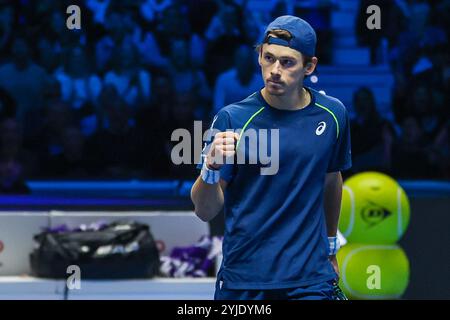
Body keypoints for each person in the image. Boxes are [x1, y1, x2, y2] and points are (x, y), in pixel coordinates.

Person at [191, 15, 352, 300]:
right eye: (268, 58)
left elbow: (331, 180)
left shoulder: (333, 114)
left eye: (287, 62)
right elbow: (205, 211)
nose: (274, 70)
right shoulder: (232, 117)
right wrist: (211, 167)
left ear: (309, 66)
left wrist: (330, 248)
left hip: (310, 281)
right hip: (244, 282)